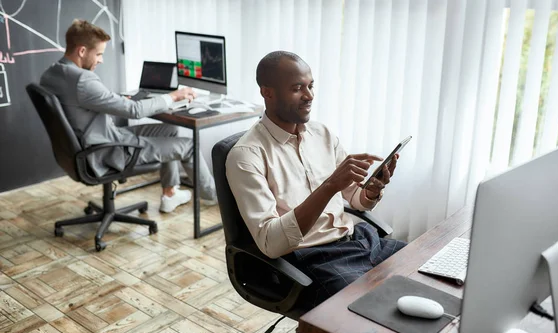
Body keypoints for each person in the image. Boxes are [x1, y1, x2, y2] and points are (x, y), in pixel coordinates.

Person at [226, 51, 406, 309]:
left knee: (422, 270)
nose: (309, 96)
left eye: (310, 86)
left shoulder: (322, 134)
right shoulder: (246, 156)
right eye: (297, 88)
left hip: (359, 241)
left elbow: (355, 199)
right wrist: (330, 185)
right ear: (268, 93)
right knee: (375, 311)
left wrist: (370, 191)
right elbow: (271, 243)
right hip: (312, 259)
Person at [40, 19, 217, 213]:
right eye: (98, 54)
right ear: (82, 51)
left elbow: (89, 100)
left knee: (170, 130)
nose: (101, 60)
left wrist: (117, 99)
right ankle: (216, 197)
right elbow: (135, 111)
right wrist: (173, 96)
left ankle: (170, 193)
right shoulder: (83, 80)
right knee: (190, 146)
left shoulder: (51, 74)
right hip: (108, 151)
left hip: (88, 146)